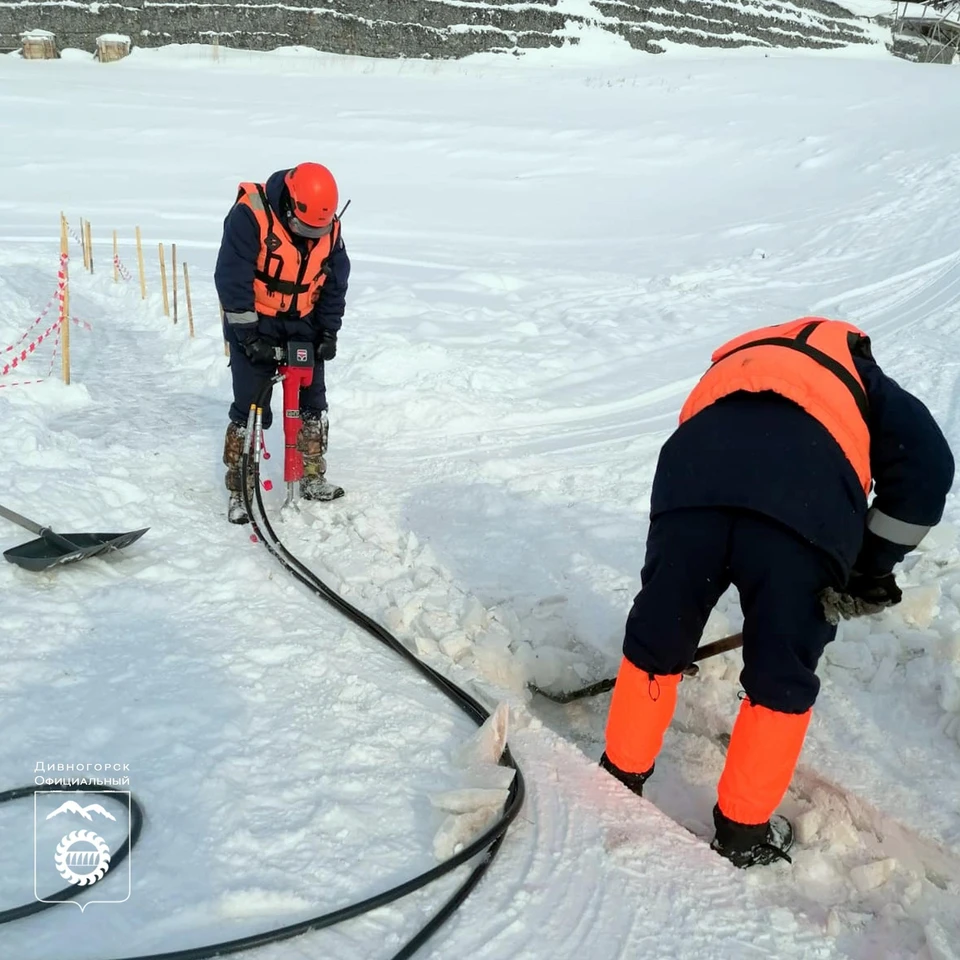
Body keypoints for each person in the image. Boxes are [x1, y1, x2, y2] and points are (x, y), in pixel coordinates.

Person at [599, 317, 954, 868]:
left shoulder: (740, 358)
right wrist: (869, 568)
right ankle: (742, 832)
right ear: (856, 344)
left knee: (659, 632)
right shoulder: (860, 374)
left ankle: (617, 776)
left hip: (691, 485)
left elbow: (711, 436)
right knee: (779, 671)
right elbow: (927, 469)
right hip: (804, 513)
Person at [214, 162, 350, 524]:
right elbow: (231, 278)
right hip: (256, 317)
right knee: (251, 407)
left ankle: (310, 475)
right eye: (304, 228)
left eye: (316, 230)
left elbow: (335, 284)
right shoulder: (251, 216)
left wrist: (327, 332)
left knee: (312, 401)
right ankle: (241, 489)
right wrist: (249, 337)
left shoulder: (330, 230)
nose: (310, 236)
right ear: (290, 203)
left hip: (302, 319)